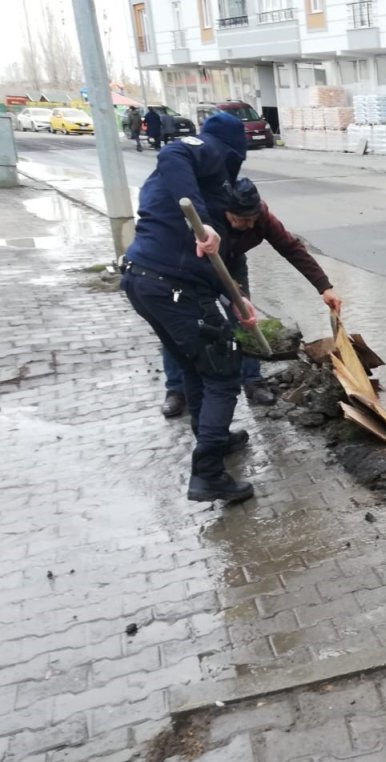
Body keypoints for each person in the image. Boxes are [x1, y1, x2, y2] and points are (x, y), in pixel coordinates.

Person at [121, 112, 259, 503]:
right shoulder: (206, 152)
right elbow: (173, 154)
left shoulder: (203, 182)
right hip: (171, 287)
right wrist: (199, 217)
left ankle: (212, 438)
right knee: (223, 371)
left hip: (144, 279)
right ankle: (208, 474)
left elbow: (206, 258)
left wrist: (237, 298)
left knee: (195, 366)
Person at [157, 178, 344, 410]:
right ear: (226, 211)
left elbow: (291, 248)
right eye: (240, 219)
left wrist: (324, 287)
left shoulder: (261, 218)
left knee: (245, 319)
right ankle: (175, 389)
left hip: (233, 263)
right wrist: (231, 294)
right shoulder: (208, 216)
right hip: (194, 266)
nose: (247, 225)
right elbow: (201, 264)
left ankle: (253, 380)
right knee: (181, 324)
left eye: (251, 220)